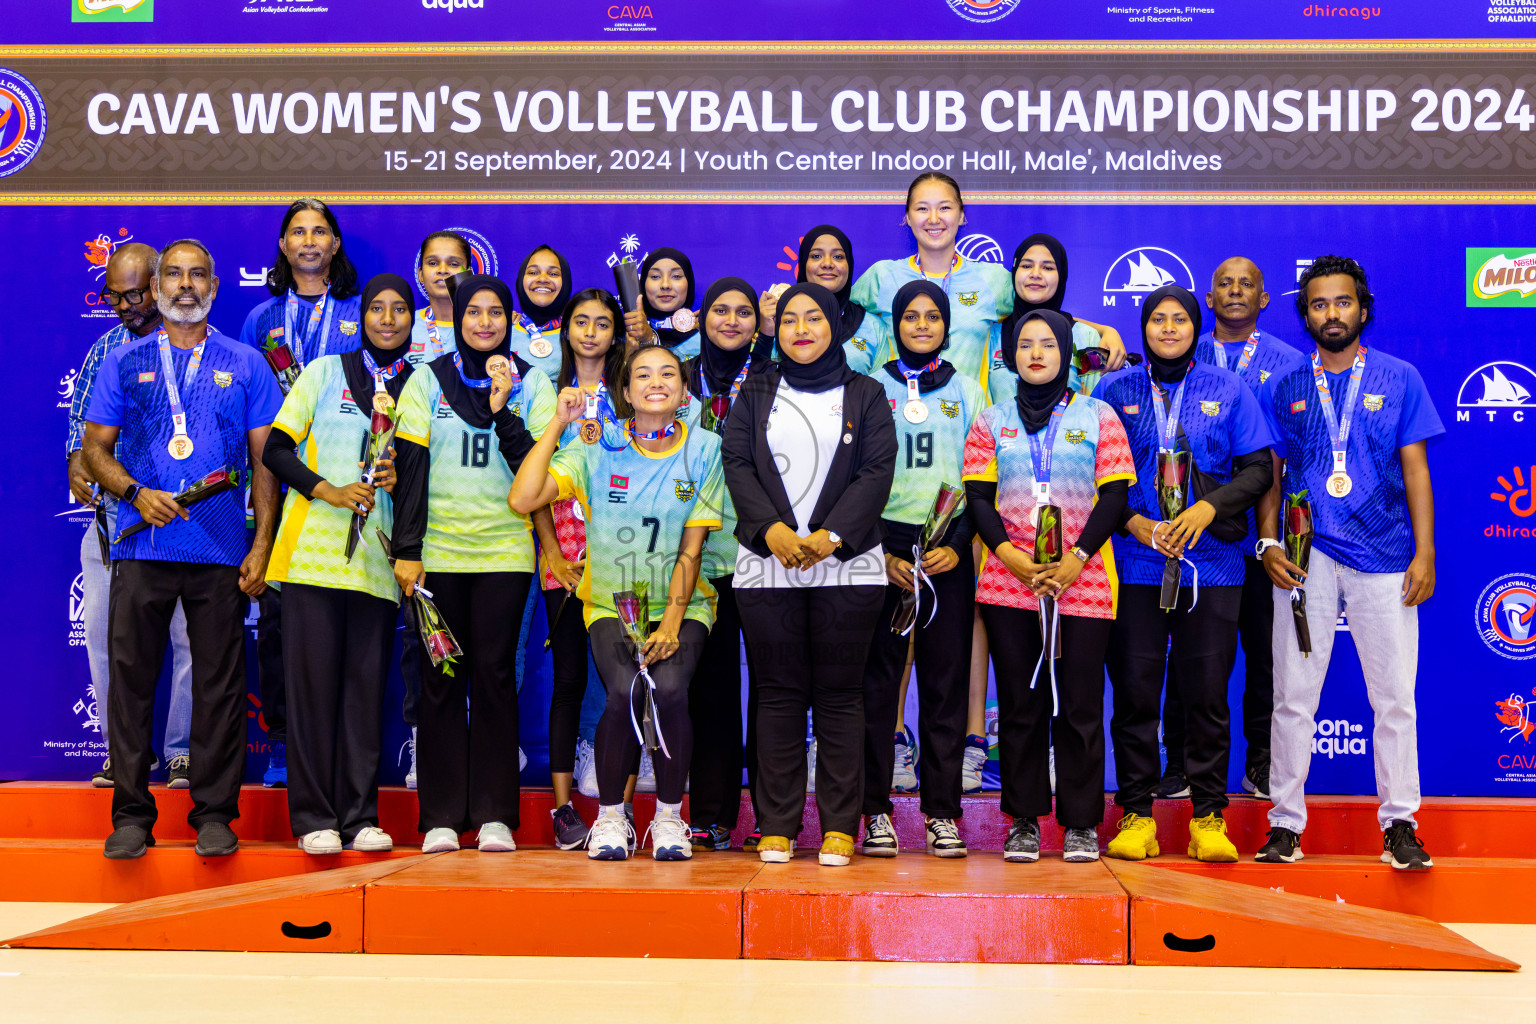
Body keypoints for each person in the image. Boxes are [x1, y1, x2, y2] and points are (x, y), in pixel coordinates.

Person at [81, 239, 283, 859]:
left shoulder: (246, 362)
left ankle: (216, 813)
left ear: (215, 288)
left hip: (221, 546)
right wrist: (135, 493)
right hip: (141, 544)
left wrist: (263, 542)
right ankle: (132, 815)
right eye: (174, 275)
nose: (186, 285)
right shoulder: (125, 361)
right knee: (133, 680)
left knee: (220, 686)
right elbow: (94, 450)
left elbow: (266, 459)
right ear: (159, 285)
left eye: (198, 275)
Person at [1255, 255, 1441, 871]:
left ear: (1362, 308)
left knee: (1393, 697)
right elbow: (1271, 478)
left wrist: (1425, 551)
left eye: (1341, 302)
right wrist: (1269, 543)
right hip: (1306, 559)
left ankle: (1401, 824)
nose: (1330, 314)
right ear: (1304, 313)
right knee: (1293, 697)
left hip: (1386, 556)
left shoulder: (1400, 376)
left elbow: (1416, 467)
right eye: (1318, 304)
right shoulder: (1285, 386)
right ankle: (1284, 824)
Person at [510, 345, 725, 862]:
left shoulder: (705, 447)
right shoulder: (596, 448)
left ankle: (670, 817)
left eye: (668, 373)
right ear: (625, 393)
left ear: (682, 391)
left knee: (670, 690)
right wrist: (556, 426)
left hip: (684, 603)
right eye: (643, 374)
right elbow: (523, 498)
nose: (656, 381)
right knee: (624, 689)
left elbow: (692, 549)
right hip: (610, 602)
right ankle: (612, 817)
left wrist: (672, 620)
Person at [1093, 284, 1274, 863]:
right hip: (1137, 563)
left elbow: (1256, 472)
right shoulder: (1114, 389)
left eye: (1179, 320)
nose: (1168, 329)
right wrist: (1135, 523)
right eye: (1157, 320)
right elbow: (1096, 480)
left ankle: (1209, 817)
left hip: (1214, 567)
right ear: (1143, 328)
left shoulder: (1227, 386)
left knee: (1207, 696)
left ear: (1195, 327)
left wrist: (1208, 506)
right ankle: (1137, 816)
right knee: (1136, 695)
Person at [722, 282, 897, 867]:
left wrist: (830, 537)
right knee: (775, 695)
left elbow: (875, 473)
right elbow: (737, 460)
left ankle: (841, 827)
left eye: (814, 318)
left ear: (834, 325)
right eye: (790, 318)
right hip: (768, 565)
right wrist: (771, 530)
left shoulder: (867, 394)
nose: (801, 328)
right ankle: (777, 825)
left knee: (841, 698)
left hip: (848, 568)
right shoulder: (755, 391)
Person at [391, 274, 557, 854]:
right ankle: (439, 816)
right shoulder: (424, 380)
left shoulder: (532, 383)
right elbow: (409, 473)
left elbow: (534, 471)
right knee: (440, 679)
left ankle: (493, 817)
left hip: (504, 555)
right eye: (474, 313)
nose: (485, 323)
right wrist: (408, 552)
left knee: (492, 678)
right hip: (437, 556)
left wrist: (503, 407)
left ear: (509, 321)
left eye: (496, 313)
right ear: (457, 318)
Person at [964, 310, 1134, 863]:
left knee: (1081, 705)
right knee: (1020, 705)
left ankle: (1082, 823)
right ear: (1011, 356)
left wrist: (1076, 558)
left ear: (1065, 353)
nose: (1036, 354)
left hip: (1082, 580)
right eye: (1025, 345)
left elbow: (1114, 498)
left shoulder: (1098, 414)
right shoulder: (991, 421)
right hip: (1009, 582)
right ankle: (1023, 821)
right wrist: (1012, 557)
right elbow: (979, 500)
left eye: (1048, 345)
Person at [261, 273, 416, 855]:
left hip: (377, 564)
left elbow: (422, 477)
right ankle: (313, 819)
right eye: (377, 308)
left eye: (400, 309)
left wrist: (401, 481)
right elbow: (276, 450)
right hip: (311, 561)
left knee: (361, 695)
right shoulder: (325, 371)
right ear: (362, 316)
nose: (388, 319)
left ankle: (359, 817)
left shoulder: (421, 385)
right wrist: (325, 488)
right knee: (312, 693)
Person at [1157, 258, 1306, 803]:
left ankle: (1261, 764)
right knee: (1183, 656)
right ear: (1209, 298)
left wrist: (1275, 536)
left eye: (1248, 283)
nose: (1236, 291)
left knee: (1265, 656)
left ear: (1265, 299)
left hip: (1259, 536)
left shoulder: (1290, 363)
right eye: (1225, 284)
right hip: (1191, 539)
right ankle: (1177, 764)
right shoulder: (1179, 353)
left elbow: (1281, 456)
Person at [857, 278, 987, 858]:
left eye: (932, 316)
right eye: (910, 316)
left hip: (946, 547)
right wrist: (876, 551)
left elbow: (980, 479)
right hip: (882, 549)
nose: (921, 325)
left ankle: (942, 813)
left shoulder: (968, 390)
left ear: (946, 326)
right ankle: (874, 811)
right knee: (877, 686)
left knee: (943, 683)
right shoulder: (866, 388)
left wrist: (959, 543)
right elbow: (852, 477)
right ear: (894, 324)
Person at [238, 198, 364, 789]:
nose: (309, 240)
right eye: (297, 232)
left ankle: (344, 746)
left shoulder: (361, 312)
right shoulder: (261, 320)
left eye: (320, 230)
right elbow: (251, 411)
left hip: (349, 485)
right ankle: (287, 745)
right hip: (283, 487)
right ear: (284, 247)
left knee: (350, 624)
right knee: (281, 627)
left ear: (335, 244)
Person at [68, 243, 196, 790]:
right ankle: (125, 752)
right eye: (115, 296)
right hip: (114, 524)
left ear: (164, 283)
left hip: (187, 523)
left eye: (136, 292)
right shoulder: (105, 351)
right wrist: (76, 466)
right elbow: (81, 439)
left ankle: (181, 751)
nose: (125, 305)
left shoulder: (203, 347)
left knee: (190, 642)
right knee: (102, 635)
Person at [531, 287, 628, 850]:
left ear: (615, 333)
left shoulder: (630, 388)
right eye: (581, 322)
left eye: (602, 323)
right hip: (563, 557)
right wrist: (552, 553)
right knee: (569, 677)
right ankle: (564, 808)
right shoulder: (545, 392)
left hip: (623, 551)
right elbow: (533, 473)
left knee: (626, 681)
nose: (591, 332)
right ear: (566, 329)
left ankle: (624, 805)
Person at [680, 277, 769, 852]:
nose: (732, 321)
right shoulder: (677, 374)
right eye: (720, 310)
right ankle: (711, 812)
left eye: (743, 311)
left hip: (764, 551)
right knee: (708, 689)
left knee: (770, 688)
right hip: (699, 553)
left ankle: (771, 813)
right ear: (704, 316)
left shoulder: (776, 376)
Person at [851, 173, 1012, 396]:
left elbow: (1044, 317)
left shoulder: (994, 280)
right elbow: (832, 314)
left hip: (967, 420)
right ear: (907, 217)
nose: (934, 219)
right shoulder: (882, 276)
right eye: (922, 209)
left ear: (962, 215)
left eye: (945, 208)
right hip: (891, 417)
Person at [994, 232, 1127, 406]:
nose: (1035, 274)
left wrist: (1107, 330)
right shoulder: (991, 336)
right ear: (1014, 272)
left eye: (1048, 268)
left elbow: (1099, 408)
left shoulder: (1086, 338)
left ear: (1061, 276)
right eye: (1026, 266)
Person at [759, 226, 888, 373]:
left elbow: (883, 390)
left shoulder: (873, 327)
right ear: (802, 264)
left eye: (838, 256)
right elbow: (758, 385)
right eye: (816, 256)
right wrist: (765, 335)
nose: (827, 263)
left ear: (849, 265)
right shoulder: (777, 319)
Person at [624, 247, 701, 358]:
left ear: (689, 283)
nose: (665, 285)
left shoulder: (706, 338)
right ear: (643, 284)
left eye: (676, 276)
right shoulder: (624, 338)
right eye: (655, 276)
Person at [510, 244, 571, 380]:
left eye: (553, 274)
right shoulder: (502, 331)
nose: (542, 279)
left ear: (566, 281)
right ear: (521, 280)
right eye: (533, 272)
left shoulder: (578, 334)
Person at [409, 229, 470, 366]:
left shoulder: (486, 325)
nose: (442, 270)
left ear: (467, 273)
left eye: (453, 264)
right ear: (420, 274)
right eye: (433, 263)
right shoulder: (404, 325)